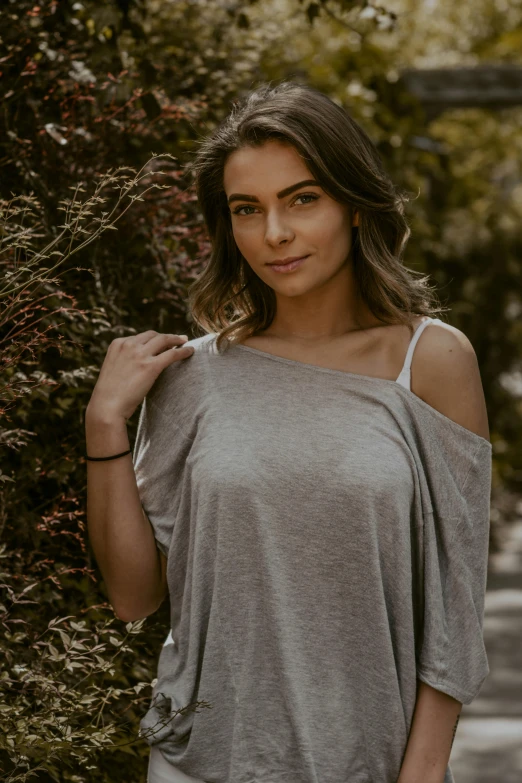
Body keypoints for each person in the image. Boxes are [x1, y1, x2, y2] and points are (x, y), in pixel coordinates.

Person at [85, 82, 492, 783]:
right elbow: (134, 596)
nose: (274, 233)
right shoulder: (194, 376)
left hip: (373, 765)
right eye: (248, 209)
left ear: (355, 206)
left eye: (302, 199)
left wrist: (421, 773)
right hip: (198, 764)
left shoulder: (431, 361)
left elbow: (455, 606)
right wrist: (104, 423)